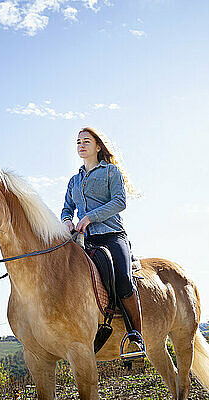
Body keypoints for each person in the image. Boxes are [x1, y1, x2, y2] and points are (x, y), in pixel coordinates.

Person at [61, 127, 145, 357]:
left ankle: (136, 338)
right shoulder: (73, 181)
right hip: (85, 241)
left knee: (124, 281)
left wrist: (90, 217)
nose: (81, 145)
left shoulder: (110, 172)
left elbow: (120, 201)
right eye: (78, 141)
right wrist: (68, 221)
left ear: (98, 146)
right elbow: (67, 209)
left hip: (112, 235)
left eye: (86, 141)